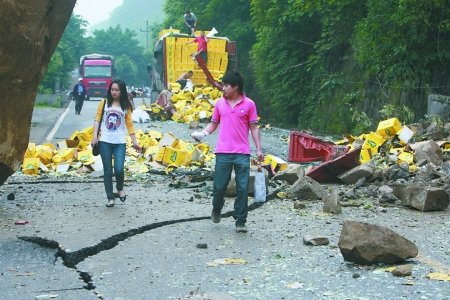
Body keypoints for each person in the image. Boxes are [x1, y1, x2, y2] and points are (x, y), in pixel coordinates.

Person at [191, 71, 264, 233]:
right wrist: (202, 134)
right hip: (223, 152)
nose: (223, 88)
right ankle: (216, 209)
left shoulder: (249, 104)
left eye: (226, 85)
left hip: (242, 153)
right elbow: (213, 124)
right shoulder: (219, 103)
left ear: (235, 86)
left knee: (243, 188)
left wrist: (259, 149)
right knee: (219, 187)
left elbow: (253, 127)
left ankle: (240, 220)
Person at [91, 79, 142, 207]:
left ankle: (119, 189)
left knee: (119, 169)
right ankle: (110, 197)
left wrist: (135, 142)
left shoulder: (126, 107)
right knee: (107, 171)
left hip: (120, 143)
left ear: (122, 91)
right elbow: (97, 120)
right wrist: (94, 137)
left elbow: (129, 125)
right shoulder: (104, 103)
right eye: (112, 89)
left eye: (117, 90)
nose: (114, 92)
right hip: (104, 142)